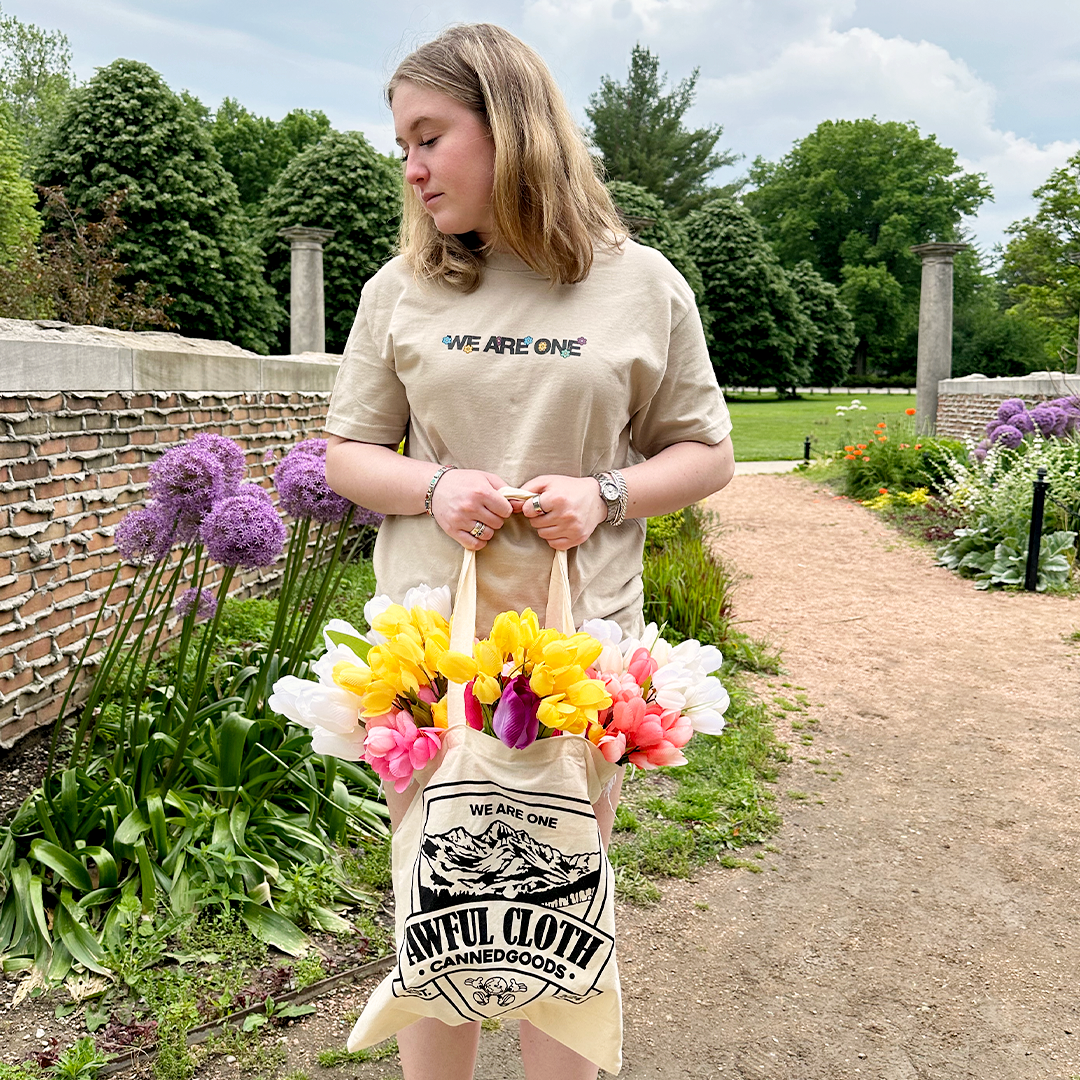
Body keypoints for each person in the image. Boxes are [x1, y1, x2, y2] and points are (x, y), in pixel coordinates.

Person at [323, 22, 734, 1080]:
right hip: (427, 656)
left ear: (507, 128)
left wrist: (604, 494)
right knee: (436, 894)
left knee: (559, 895)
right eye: (401, 144)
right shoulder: (399, 291)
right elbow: (348, 456)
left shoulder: (642, 285)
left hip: (581, 657)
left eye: (429, 136)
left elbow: (706, 454)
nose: (409, 168)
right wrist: (434, 483)